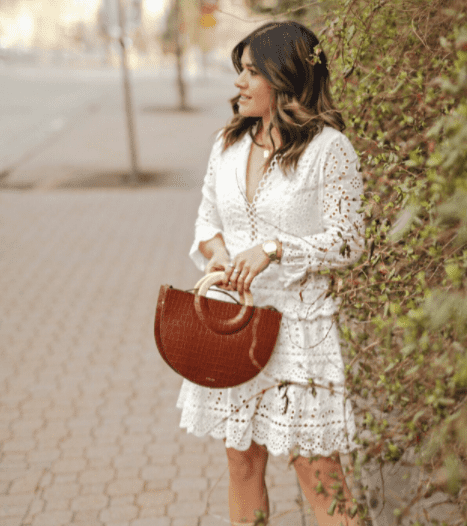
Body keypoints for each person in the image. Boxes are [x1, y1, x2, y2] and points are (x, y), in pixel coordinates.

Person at [177, 20, 365, 526]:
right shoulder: (228, 144)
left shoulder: (329, 150)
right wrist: (218, 256)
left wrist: (274, 248)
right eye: (239, 71)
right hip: (236, 323)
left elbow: (350, 242)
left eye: (252, 72)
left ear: (286, 79)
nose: (238, 83)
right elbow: (206, 222)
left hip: (302, 330)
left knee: (316, 469)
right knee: (241, 461)